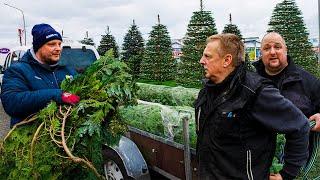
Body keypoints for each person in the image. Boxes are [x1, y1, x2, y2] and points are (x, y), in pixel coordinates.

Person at [195, 33, 310, 179]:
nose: (201, 61)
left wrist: (287, 174)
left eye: (207, 56)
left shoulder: (255, 92)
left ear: (227, 60)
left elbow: (300, 126)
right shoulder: (207, 91)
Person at [1, 23, 80, 127]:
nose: (58, 48)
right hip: (32, 139)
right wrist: (57, 96)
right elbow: (12, 102)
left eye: (59, 44)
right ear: (38, 47)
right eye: (52, 44)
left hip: (62, 137)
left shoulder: (67, 70)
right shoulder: (17, 70)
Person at [254, 32, 320, 132]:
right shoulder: (251, 81)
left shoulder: (309, 81)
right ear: (261, 53)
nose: (272, 52)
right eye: (267, 48)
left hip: (298, 145)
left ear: (286, 50)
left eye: (277, 47)